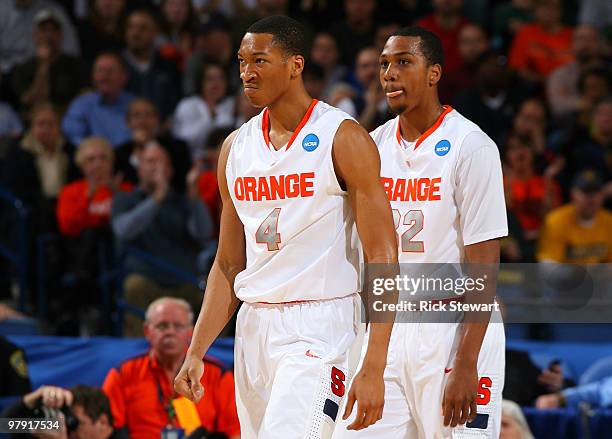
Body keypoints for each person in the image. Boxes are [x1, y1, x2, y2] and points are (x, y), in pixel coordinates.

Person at [174, 15, 398, 438]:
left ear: (295, 65)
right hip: (254, 327)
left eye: (260, 60)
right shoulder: (234, 148)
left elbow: (383, 257)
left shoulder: (343, 137)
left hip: (321, 324)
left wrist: (374, 362)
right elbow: (227, 264)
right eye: (242, 61)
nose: (246, 72)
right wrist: (196, 349)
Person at [335, 26, 507, 438]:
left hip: (452, 326)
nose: (389, 74)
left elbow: (485, 263)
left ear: (434, 73)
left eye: (403, 62)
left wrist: (467, 362)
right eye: (384, 65)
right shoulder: (371, 147)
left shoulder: (471, 146)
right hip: (386, 327)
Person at [111, 143, 214, 337]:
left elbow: (203, 233)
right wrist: (157, 197)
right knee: (134, 287)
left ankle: (207, 355)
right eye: (150, 161)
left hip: (183, 279)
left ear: (170, 170)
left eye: (161, 162)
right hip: (146, 278)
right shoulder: (125, 199)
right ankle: (138, 351)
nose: (156, 168)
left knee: (215, 294)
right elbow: (124, 230)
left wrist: (194, 197)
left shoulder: (181, 202)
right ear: (139, 167)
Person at [103, 297, 240, 439]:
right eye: (162, 326)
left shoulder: (217, 374)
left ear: (190, 332)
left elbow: (235, 432)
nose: (170, 332)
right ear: (147, 331)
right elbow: (104, 428)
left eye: (178, 326)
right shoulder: (124, 373)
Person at [9, 8, 86, 116]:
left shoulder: (75, 65)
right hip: (35, 126)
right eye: (44, 30)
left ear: (61, 35)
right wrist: (43, 65)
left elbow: (84, 100)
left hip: (68, 120)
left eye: (54, 30)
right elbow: (34, 102)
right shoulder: (22, 69)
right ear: (35, 35)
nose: (48, 35)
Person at [537, 170, 612, 263]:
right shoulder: (556, 221)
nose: (591, 198)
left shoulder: (609, 221)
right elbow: (547, 266)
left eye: (595, 192)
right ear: (573, 194)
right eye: (586, 192)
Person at [62, 53, 135, 147]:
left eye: (110, 71)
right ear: (93, 76)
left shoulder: (134, 105)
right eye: (100, 71)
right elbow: (72, 135)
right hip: (92, 157)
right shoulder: (81, 104)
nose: (104, 77)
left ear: (124, 77)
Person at [1, 384, 124, 439]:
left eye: (75, 423)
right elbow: (6, 425)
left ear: (102, 422)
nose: (70, 432)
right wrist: (34, 398)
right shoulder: (59, 428)